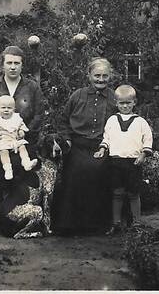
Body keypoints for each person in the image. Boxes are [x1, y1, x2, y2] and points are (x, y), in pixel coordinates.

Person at [0, 45, 45, 235]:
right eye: (9, 63)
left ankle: (11, 215)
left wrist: (26, 133)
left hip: (22, 142)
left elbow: (39, 114)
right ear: (3, 65)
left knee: (24, 166)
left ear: (22, 66)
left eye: (17, 63)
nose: (13, 67)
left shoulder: (32, 87)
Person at [52, 57, 117, 234]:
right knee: (75, 171)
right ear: (89, 75)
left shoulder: (114, 97)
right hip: (77, 144)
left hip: (103, 145)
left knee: (98, 170)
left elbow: (122, 123)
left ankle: (97, 225)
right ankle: (71, 224)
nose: (101, 79)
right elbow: (64, 121)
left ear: (110, 76)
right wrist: (67, 140)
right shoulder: (78, 95)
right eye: (97, 75)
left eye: (105, 76)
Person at [94, 84, 153, 234]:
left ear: (134, 102)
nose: (125, 106)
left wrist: (143, 154)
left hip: (133, 162)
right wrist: (102, 149)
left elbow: (148, 139)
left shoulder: (140, 122)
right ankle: (116, 223)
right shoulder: (112, 120)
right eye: (122, 103)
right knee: (117, 193)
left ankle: (137, 223)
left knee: (134, 193)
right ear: (116, 103)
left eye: (128, 103)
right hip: (115, 162)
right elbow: (106, 138)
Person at [0, 95, 38, 180]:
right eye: (3, 108)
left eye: (9, 108)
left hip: (14, 140)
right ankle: (8, 169)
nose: (6, 110)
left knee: (22, 146)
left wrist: (21, 132)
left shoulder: (16, 119)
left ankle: (26, 163)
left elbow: (21, 127)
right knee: (4, 152)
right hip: (1, 141)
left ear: (14, 110)